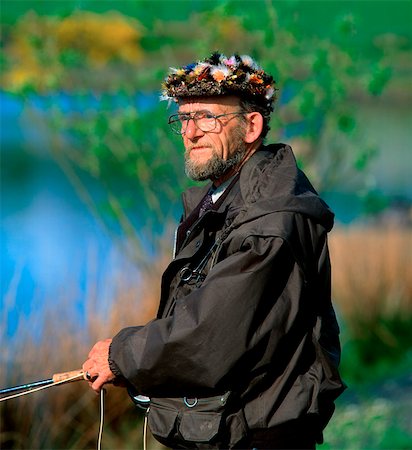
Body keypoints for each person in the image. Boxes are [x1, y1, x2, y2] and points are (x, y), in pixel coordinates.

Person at [82, 52, 345, 449]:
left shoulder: (270, 220)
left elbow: (211, 335)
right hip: (230, 426)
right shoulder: (222, 199)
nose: (191, 133)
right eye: (185, 118)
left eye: (208, 117)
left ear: (251, 126)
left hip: (257, 433)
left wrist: (120, 353)